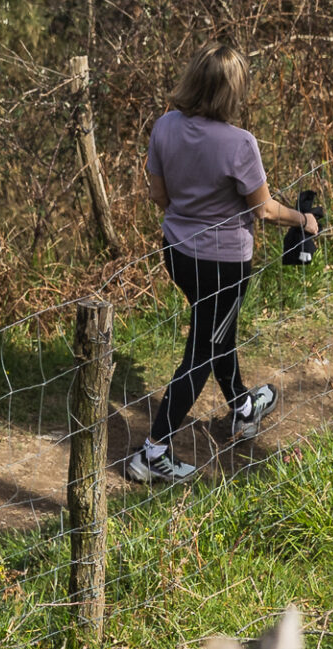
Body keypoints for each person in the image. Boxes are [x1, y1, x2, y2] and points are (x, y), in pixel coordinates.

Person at [126, 44, 321, 484]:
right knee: (201, 351)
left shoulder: (164, 127)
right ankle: (152, 453)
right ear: (232, 91)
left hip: (177, 253)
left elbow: (159, 196)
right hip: (223, 266)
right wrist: (305, 219)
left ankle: (243, 406)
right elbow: (266, 211)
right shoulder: (239, 144)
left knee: (215, 333)